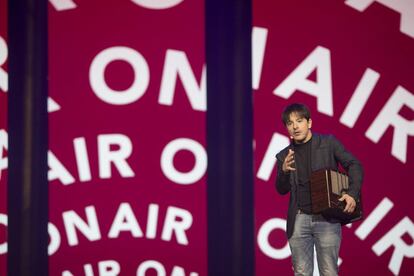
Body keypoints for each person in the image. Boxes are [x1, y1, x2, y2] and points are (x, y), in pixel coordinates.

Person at [275, 103, 363, 276]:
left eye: (299, 121)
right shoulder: (284, 155)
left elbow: (355, 165)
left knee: (329, 272)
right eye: (290, 123)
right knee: (301, 273)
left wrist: (352, 194)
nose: (295, 126)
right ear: (287, 128)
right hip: (299, 220)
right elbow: (281, 189)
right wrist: (284, 171)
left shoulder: (328, 143)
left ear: (309, 123)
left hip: (327, 218)